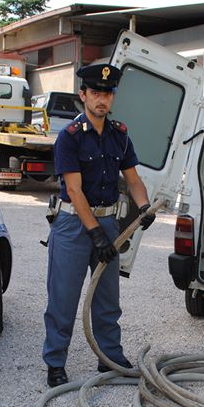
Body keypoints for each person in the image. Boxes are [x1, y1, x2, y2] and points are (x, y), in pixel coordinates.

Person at [42, 64, 155, 388]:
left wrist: (144, 207)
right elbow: (74, 191)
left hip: (107, 221)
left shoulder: (120, 136)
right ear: (83, 95)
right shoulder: (70, 138)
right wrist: (94, 233)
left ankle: (109, 357)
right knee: (63, 297)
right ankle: (55, 361)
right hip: (73, 224)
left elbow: (133, 180)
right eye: (95, 93)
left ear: (112, 97)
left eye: (107, 93)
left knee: (107, 298)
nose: (101, 99)